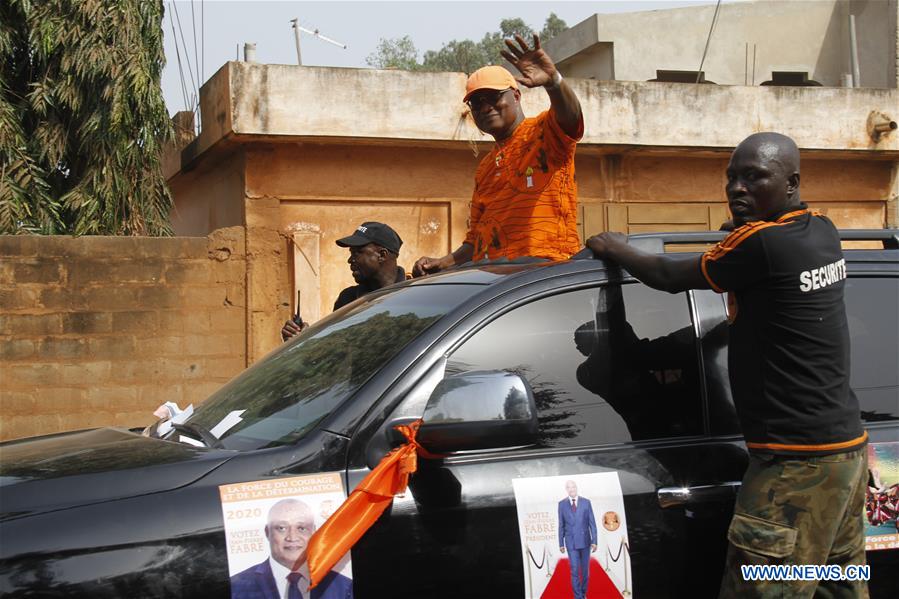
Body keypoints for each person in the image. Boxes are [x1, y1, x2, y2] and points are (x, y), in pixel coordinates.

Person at [586, 132, 868, 598]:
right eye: (732, 178)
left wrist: (617, 248)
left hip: (792, 468)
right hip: (844, 458)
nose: (737, 188)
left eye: (754, 177)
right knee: (836, 586)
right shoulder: (822, 230)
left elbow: (667, 276)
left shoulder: (761, 246)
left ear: (792, 182)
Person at [413, 34, 583, 277]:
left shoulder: (545, 133)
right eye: (476, 103)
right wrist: (442, 262)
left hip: (545, 275)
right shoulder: (485, 167)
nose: (485, 107)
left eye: (493, 97)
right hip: (500, 284)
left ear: (516, 96)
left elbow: (572, 119)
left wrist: (554, 82)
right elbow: (475, 241)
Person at [282, 222, 406, 340]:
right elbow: (334, 347)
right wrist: (305, 341)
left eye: (357, 253)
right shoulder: (348, 299)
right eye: (351, 253)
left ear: (382, 255)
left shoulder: (414, 295)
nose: (350, 260)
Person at [230, 498, 353, 599]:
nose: (292, 537)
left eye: (301, 528)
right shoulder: (236, 587)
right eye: (281, 528)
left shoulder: (344, 586)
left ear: (314, 532)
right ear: (267, 532)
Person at [557, 480, 597, 599]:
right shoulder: (561, 504)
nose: (571, 489)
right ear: (566, 489)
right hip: (571, 542)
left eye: (573, 486)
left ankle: (583, 593)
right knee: (574, 570)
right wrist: (561, 543)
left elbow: (592, 524)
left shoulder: (586, 502)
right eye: (569, 487)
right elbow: (561, 524)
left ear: (576, 487)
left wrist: (594, 541)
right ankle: (578, 597)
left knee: (585, 572)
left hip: (585, 541)